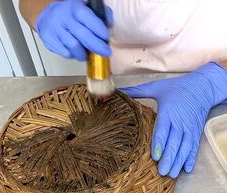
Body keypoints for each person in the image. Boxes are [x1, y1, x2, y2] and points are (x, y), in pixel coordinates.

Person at [19, 0, 227, 178]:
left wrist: (211, 82)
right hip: (119, 90)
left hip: (216, 98)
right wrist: (45, 11)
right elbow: (30, 3)